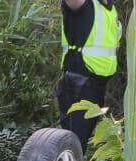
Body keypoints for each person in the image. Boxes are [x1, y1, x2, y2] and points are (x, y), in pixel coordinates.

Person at [58, 0, 121, 152]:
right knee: (74, 143)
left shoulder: (109, 8)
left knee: (79, 142)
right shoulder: (83, 4)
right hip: (79, 84)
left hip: (96, 86)